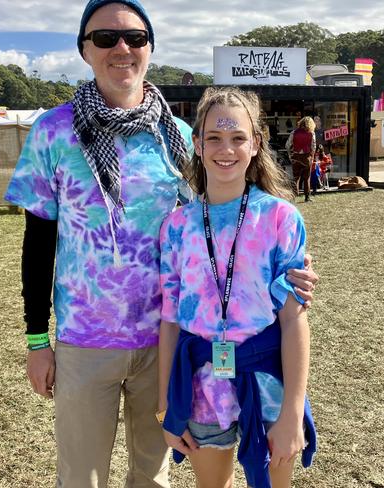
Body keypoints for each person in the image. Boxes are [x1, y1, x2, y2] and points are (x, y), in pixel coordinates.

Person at [5, 2, 319, 487]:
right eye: (105, 38)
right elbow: (37, 239)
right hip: (85, 343)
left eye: (134, 37)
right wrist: (35, 339)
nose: (121, 48)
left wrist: (291, 270)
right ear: (85, 49)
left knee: (152, 480)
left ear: (150, 47)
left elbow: (223, 225)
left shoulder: (181, 136)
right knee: (80, 479)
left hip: (165, 343)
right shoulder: (53, 131)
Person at [158, 87, 316, 488]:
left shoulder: (281, 218)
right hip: (201, 385)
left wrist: (292, 413)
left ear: (256, 143)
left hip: (267, 380)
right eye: (213, 138)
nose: (225, 149)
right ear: (197, 144)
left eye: (237, 137)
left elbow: (295, 320)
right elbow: (171, 321)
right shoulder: (176, 227)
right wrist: (165, 407)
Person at [285, 117, 316, 202]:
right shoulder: (311, 133)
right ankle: (307, 197)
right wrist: (312, 157)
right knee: (307, 178)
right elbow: (313, 147)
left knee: (295, 178)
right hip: (307, 157)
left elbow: (287, 145)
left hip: (296, 157)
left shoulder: (294, 132)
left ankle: (293, 197)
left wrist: (290, 155)